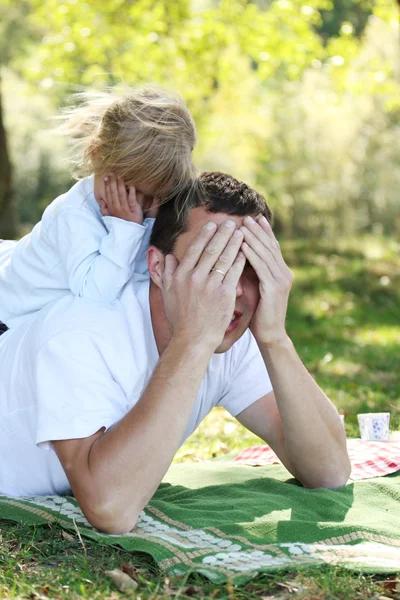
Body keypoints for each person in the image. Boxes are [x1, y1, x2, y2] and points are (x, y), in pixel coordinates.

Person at [0, 172, 351, 534]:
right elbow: (111, 509)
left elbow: (329, 470)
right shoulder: (80, 332)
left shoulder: (229, 332)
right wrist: (193, 340)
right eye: (210, 262)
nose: (230, 290)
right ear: (157, 266)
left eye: (249, 267)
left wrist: (275, 338)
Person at [0, 86, 197, 332]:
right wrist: (127, 228)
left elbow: (136, 279)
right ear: (96, 156)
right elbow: (97, 296)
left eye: (155, 196)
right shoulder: (72, 214)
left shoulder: (149, 211)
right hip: (9, 314)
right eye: (130, 191)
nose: (142, 206)